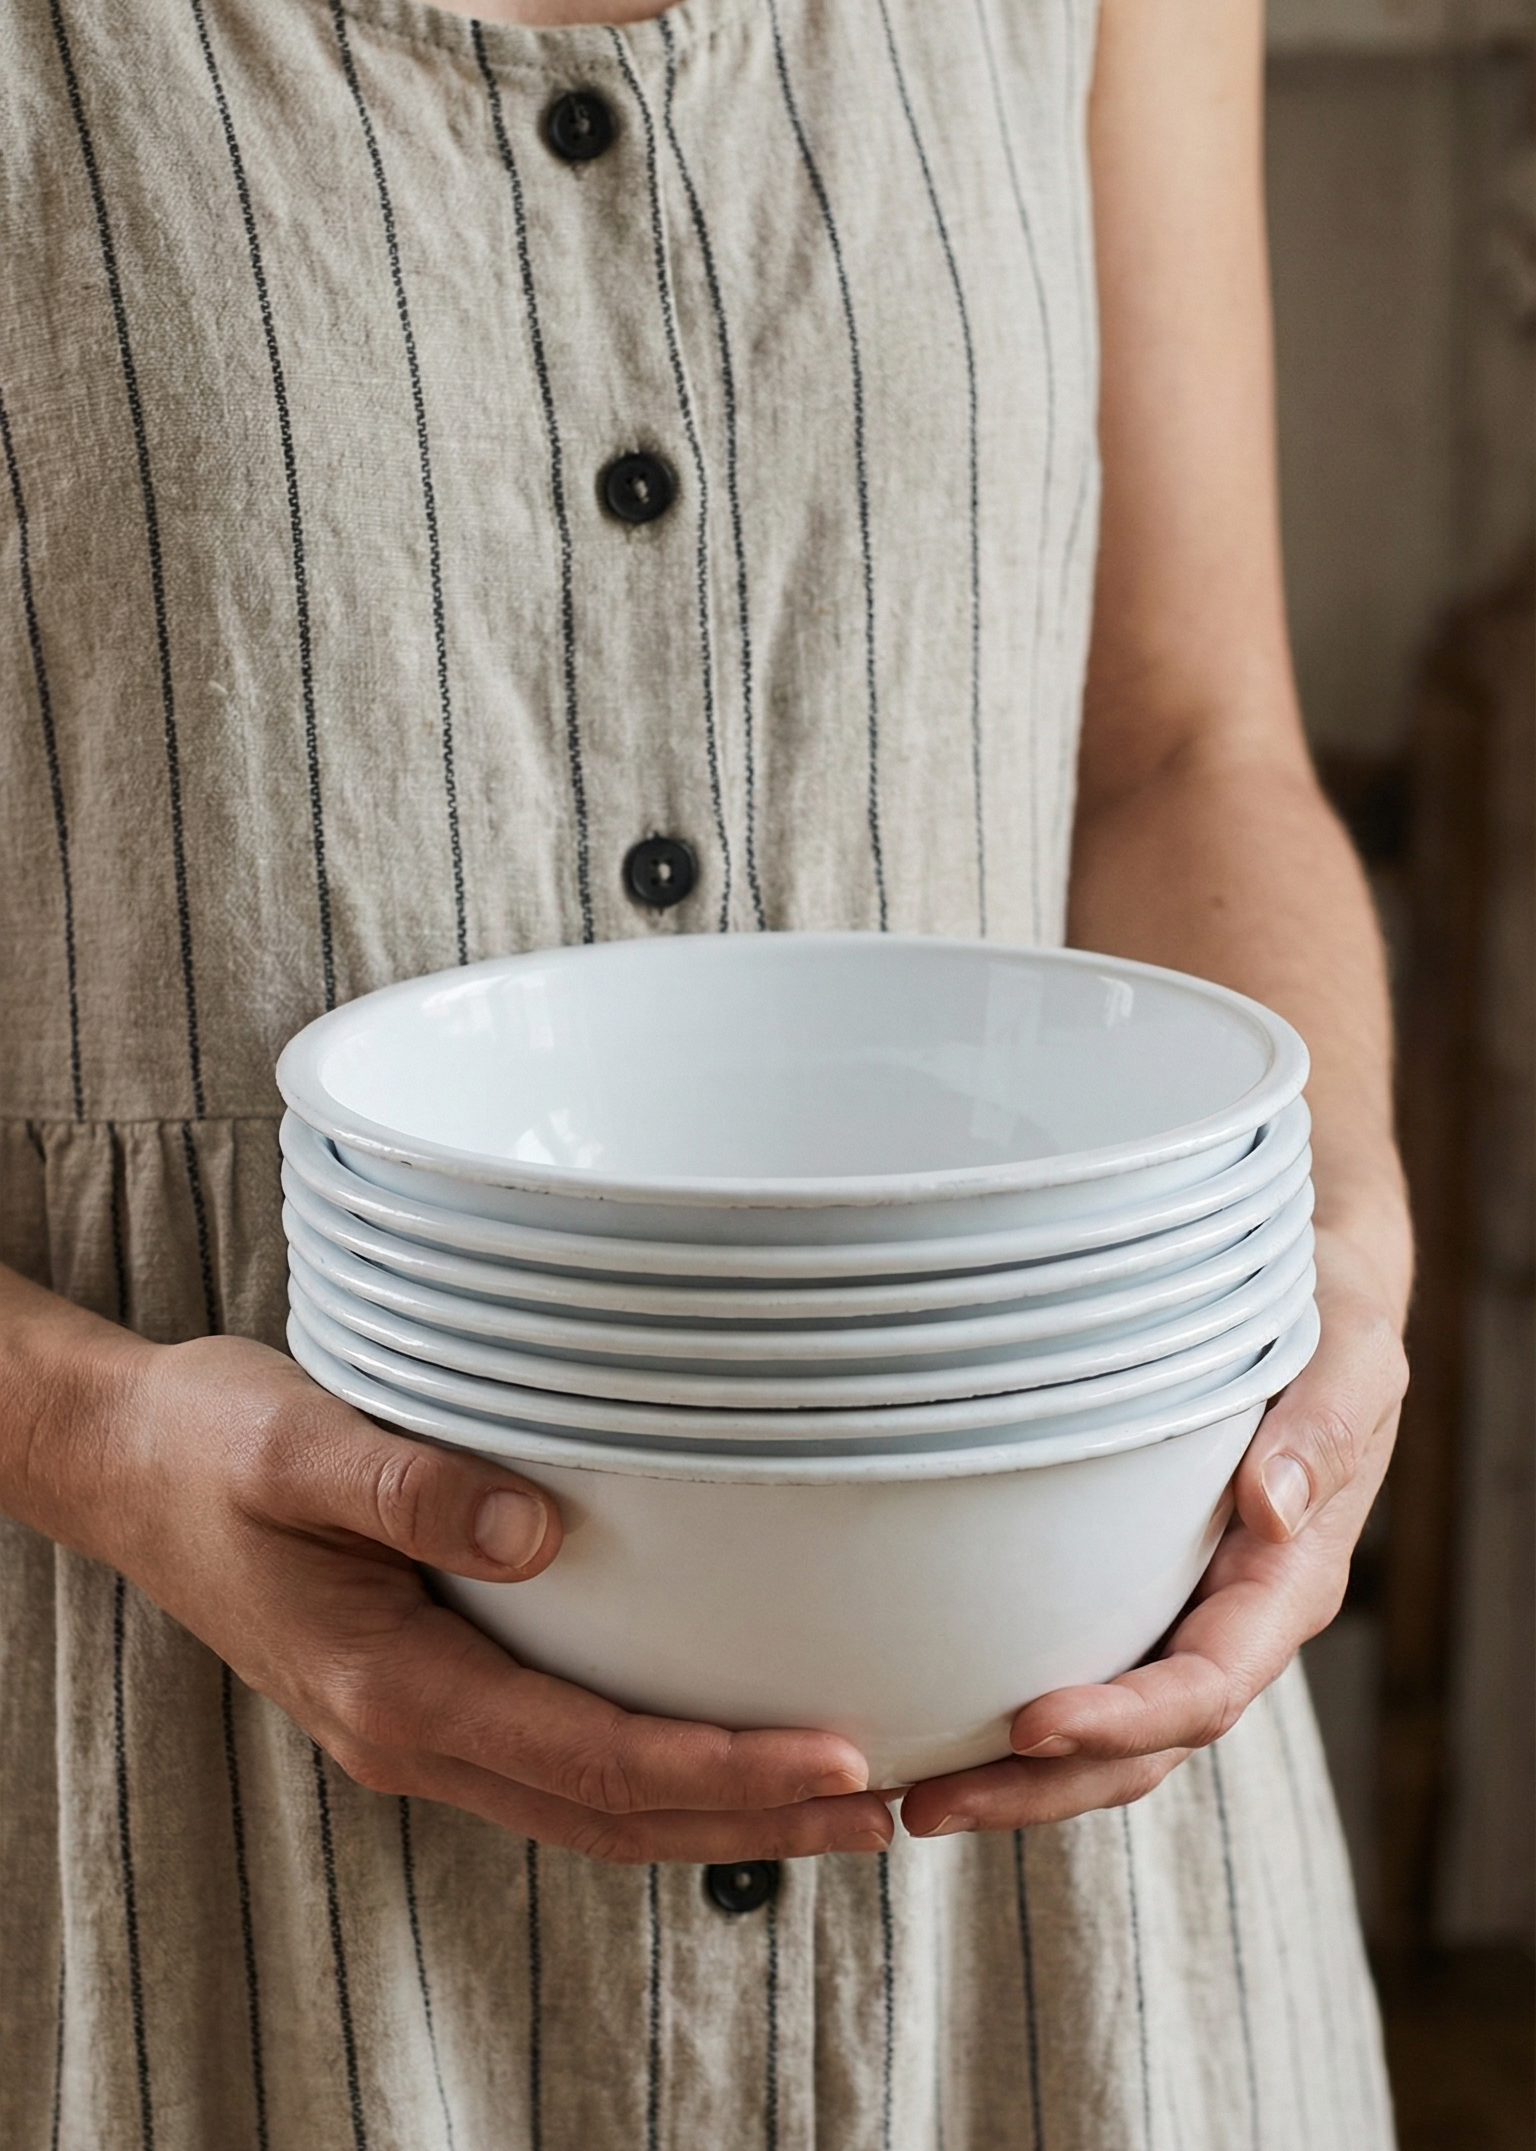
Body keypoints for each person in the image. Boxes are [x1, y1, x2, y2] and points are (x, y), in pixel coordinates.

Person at [0, 0, 1412, 2141]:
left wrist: (1327, 1269)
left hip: (1056, 1777)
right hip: (169, 1790)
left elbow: (1187, 742)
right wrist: (96, 1438)